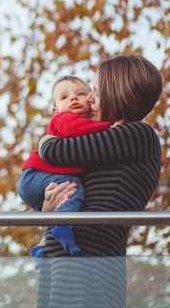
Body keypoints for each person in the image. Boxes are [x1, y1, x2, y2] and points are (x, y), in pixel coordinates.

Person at [35, 54, 163, 308]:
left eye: (95, 90)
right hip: (70, 256)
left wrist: (47, 138)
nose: (89, 98)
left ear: (117, 93)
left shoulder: (136, 134)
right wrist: (49, 213)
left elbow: (54, 151)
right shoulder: (110, 144)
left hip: (89, 260)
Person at [18, 75, 111, 255]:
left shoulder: (86, 124)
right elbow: (77, 130)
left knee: (62, 199)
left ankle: (43, 245)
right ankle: (63, 225)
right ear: (55, 111)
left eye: (80, 93)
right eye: (64, 97)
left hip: (39, 178)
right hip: (37, 174)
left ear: (91, 99)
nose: (73, 98)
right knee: (74, 188)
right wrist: (108, 127)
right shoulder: (64, 120)